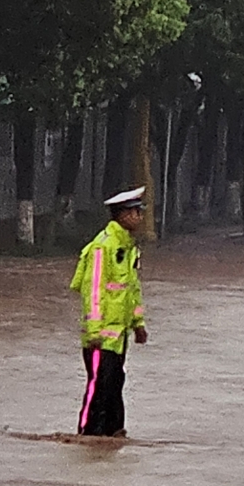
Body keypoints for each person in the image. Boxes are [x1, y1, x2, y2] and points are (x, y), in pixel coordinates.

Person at [69, 187, 148, 436]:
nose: (140, 218)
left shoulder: (128, 247)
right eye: (136, 212)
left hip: (119, 336)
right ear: (122, 215)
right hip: (100, 337)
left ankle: (114, 434)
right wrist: (94, 331)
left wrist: (138, 323)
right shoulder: (102, 247)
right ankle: (87, 435)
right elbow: (92, 292)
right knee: (98, 387)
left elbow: (131, 289)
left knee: (115, 385)